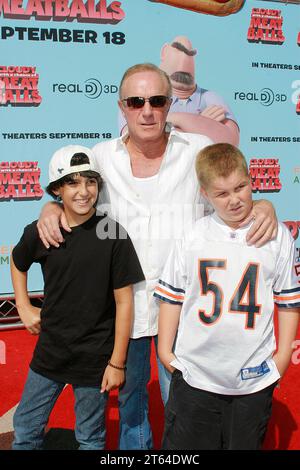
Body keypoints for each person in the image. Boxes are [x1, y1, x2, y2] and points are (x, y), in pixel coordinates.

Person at [36, 63, 277, 450]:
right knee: (130, 403)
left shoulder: (197, 151)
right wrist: (49, 210)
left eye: (157, 100)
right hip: (120, 308)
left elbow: (234, 186)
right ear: (122, 107)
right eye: (136, 101)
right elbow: (69, 195)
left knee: (181, 404)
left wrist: (264, 203)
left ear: (170, 104)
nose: (146, 111)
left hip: (183, 310)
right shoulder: (99, 157)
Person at [155, 143, 300, 450]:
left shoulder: (277, 237)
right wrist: (167, 353)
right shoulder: (193, 236)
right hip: (196, 378)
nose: (235, 200)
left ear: (251, 181)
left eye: (241, 187)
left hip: (253, 381)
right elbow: (172, 297)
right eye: (222, 193)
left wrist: (282, 357)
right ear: (205, 195)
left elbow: (288, 302)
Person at [11, 145, 144, 450]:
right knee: (26, 430)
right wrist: (23, 305)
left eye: (90, 181)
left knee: (90, 437)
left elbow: (125, 302)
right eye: (72, 183)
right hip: (49, 354)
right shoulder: (43, 231)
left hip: (94, 359)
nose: (83, 191)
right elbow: (18, 263)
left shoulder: (113, 234)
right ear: (57, 189)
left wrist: (117, 363)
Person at [119, 36, 239, 146]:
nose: (184, 57)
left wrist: (171, 120)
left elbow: (230, 142)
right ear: (164, 51)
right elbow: (134, 139)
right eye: (179, 48)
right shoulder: (135, 97)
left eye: (191, 53)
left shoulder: (210, 97)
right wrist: (202, 124)